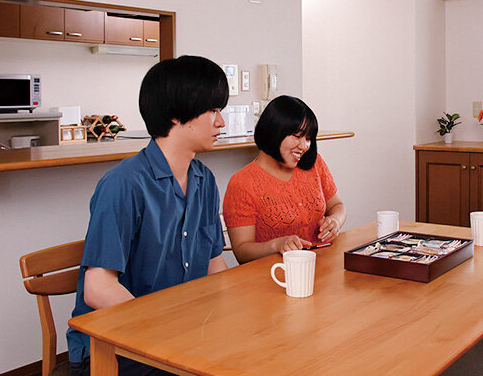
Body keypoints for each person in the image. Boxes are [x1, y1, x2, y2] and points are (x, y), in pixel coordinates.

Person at [66, 55, 229, 376]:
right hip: (115, 348)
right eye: (212, 110)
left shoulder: (205, 180)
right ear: (175, 115)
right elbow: (98, 289)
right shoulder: (123, 184)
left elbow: (214, 266)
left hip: (181, 334)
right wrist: (165, 331)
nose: (221, 122)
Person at [223, 95, 346, 263]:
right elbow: (242, 251)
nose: (304, 146)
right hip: (274, 272)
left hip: (321, 264)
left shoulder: (315, 164)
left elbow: (338, 206)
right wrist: (275, 245)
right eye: (297, 136)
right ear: (274, 131)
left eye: (308, 138)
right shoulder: (242, 183)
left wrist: (335, 221)